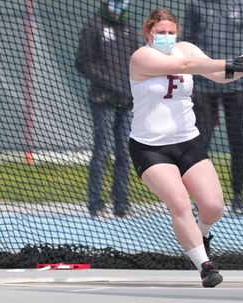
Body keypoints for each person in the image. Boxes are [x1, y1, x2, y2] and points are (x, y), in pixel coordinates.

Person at [128, 8, 243, 287]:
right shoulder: (142, 57)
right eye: (160, 32)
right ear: (148, 33)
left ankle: (203, 234)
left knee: (213, 207)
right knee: (180, 203)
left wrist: (241, 69)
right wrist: (227, 62)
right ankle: (205, 266)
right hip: (151, 148)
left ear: (178, 31)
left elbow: (219, 75)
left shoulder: (185, 49)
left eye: (170, 32)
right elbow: (187, 68)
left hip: (188, 141)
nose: (166, 37)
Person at [182, 0, 243, 213]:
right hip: (204, 85)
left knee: (237, 138)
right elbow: (188, 44)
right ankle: (199, 197)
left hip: (237, 84)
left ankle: (238, 196)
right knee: (201, 139)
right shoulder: (196, 5)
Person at [75, 0, 138, 217]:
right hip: (102, 100)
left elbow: (136, 63)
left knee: (125, 151)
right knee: (102, 150)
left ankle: (121, 204)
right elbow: (82, 62)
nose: (118, 4)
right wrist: (109, 82)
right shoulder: (93, 26)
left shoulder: (130, 29)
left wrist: (130, 88)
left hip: (127, 102)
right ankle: (96, 204)